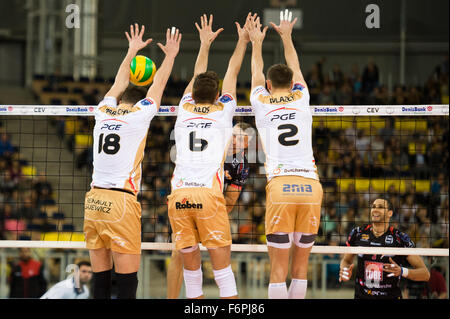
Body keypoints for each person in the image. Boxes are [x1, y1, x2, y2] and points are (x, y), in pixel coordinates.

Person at [83, 23, 181, 299]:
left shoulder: (102, 112)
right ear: (138, 104)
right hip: (121, 203)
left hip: (93, 200)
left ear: (119, 100)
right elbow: (158, 85)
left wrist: (131, 51)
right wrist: (171, 55)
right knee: (127, 281)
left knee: (100, 280)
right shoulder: (139, 116)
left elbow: (118, 83)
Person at [167, 13, 250, 299]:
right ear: (217, 96)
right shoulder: (223, 110)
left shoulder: (184, 108)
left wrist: (204, 44)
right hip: (207, 195)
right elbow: (233, 71)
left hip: (178, 197)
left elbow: (196, 75)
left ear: (193, 92)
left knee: (192, 272)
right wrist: (243, 41)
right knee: (222, 270)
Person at [247, 10, 323, 299]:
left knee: (278, 268)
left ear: (268, 85)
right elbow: (296, 66)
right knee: (300, 267)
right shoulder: (302, 97)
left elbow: (256, 73)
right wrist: (287, 37)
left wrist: (256, 42)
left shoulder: (261, 100)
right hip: (310, 186)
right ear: (293, 85)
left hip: (281, 186)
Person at [166, 122, 253, 299]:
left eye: (241, 138)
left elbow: (230, 200)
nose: (235, 140)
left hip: (212, 209)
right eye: (233, 135)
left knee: (221, 259)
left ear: (246, 144)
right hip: (185, 202)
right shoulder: (210, 145)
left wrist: (209, 215)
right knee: (178, 253)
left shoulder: (241, 165)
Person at [339, 198, 430, 299]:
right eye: (373, 207)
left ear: (389, 213)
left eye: (380, 207)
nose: (375, 210)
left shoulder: (399, 238)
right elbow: (346, 260)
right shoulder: (358, 233)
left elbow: (425, 274)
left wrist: (402, 271)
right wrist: (345, 271)